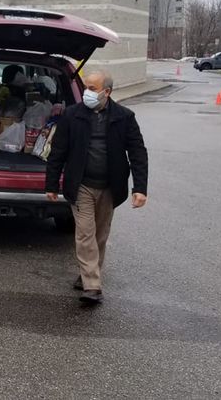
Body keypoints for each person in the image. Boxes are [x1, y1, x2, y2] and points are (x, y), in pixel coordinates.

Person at [45, 70, 148, 304]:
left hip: (110, 187)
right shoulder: (72, 116)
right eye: (86, 88)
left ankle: (86, 275)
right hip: (81, 185)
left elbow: (138, 153)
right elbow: (58, 151)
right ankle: (92, 285)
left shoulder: (124, 117)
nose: (87, 93)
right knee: (85, 234)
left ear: (107, 92)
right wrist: (51, 184)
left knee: (100, 236)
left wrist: (139, 188)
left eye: (92, 89)